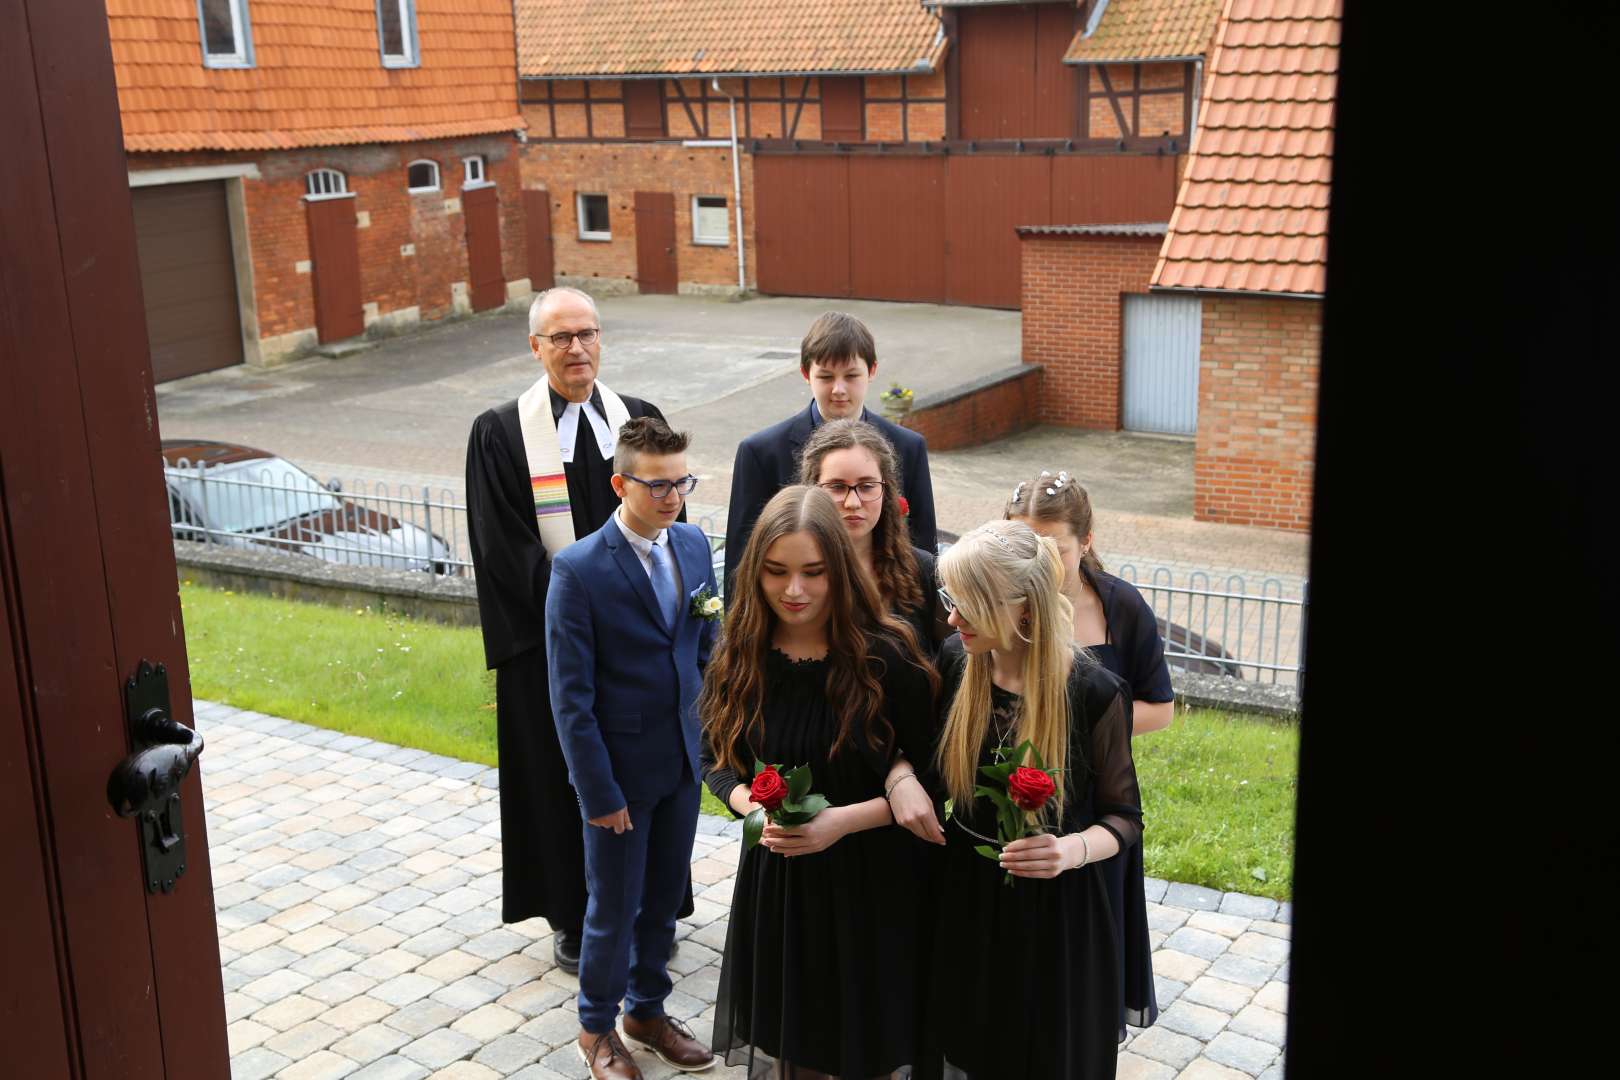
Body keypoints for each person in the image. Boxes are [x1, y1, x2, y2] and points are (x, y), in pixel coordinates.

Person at [464, 286, 688, 976]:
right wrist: (584, 611)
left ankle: (651, 909)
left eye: (587, 333)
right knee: (565, 779)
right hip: (552, 644)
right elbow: (502, 550)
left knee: (647, 772)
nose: (576, 348)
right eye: (560, 337)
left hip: (641, 643)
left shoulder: (638, 419)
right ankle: (572, 915)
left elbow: (669, 513)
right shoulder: (501, 433)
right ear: (536, 347)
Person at [700, 485, 939, 1079]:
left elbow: (937, 775)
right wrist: (754, 806)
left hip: (873, 886)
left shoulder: (888, 656)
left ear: (840, 569)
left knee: (869, 1049)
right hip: (782, 891)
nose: (794, 590)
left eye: (813, 572)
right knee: (795, 1050)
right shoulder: (741, 653)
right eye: (776, 572)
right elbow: (716, 760)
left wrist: (843, 821)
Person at [930, 519, 1143, 1079]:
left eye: (968, 605)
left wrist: (1070, 850)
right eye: (950, 600)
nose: (952, 619)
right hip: (967, 896)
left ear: (1024, 610)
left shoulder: (1093, 692)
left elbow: (1125, 818)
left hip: (1059, 914)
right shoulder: (956, 661)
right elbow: (927, 770)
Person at [545, 417, 718, 1079]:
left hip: (682, 760)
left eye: (682, 482)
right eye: (658, 486)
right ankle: (595, 1029)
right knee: (613, 907)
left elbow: (704, 647)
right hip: (618, 773)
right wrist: (598, 792)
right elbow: (571, 698)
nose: (673, 497)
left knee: (666, 896)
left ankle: (647, 1012)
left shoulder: (694, 545)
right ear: (621, 484)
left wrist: (710, 737)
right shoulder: (580, 568)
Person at [1005, 469, 1172, 1039]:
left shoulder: (1120, 606)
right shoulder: (998, 603)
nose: (1038, 562)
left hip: (1095, 803)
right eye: (1024, 544)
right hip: (1009, 796)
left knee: (1084, 957)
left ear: (1087, 541)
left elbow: (1161, 708)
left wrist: (1077, 729)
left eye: (1054, 549)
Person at [724, 312, 936, 596]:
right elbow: (741, 562)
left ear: (872, 371)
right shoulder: (761, 453)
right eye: (825, 377)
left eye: (851, 376)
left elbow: (922, 546)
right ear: (805, 373)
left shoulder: (907, 447)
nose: (839, 389)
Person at [798, 418, 947, 654]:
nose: (853, 502)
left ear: (885, 489)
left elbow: (949, 658)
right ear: (811, 488)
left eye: (867, 486)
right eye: (837, 487)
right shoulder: (791, 571)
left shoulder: (921, 569)